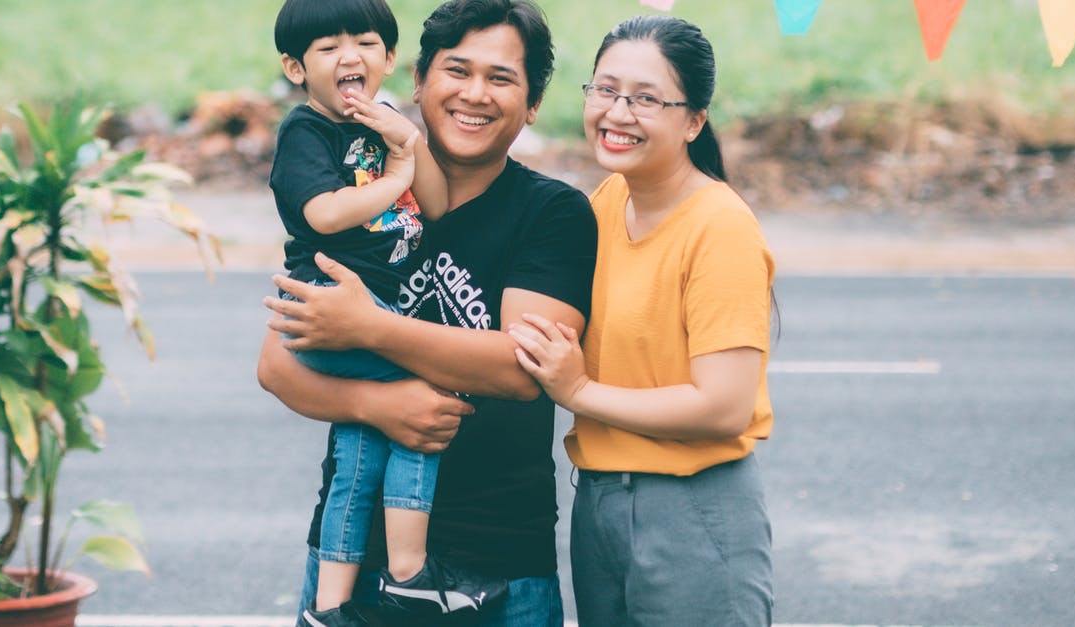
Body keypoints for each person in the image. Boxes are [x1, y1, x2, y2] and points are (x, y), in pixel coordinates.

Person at [257, 0, 597, 625]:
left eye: (501, 78)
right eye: (456, 70)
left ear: (533, 103)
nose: (475, 94)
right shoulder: (358, 187)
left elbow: (524, 369)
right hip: (351, 557)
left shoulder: (553, 214)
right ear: (416, 80)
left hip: (497, 562)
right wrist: (375, 405)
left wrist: (371, 329)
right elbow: (279, 366)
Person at [507, 15, 777, 626]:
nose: (617, 112)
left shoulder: (719, 227)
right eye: (605, 90)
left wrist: (578, 391)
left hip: (692, 509)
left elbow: (724, 407)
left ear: (693, 121)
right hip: (599, 501)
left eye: (646, 99)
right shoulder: (607, 202)